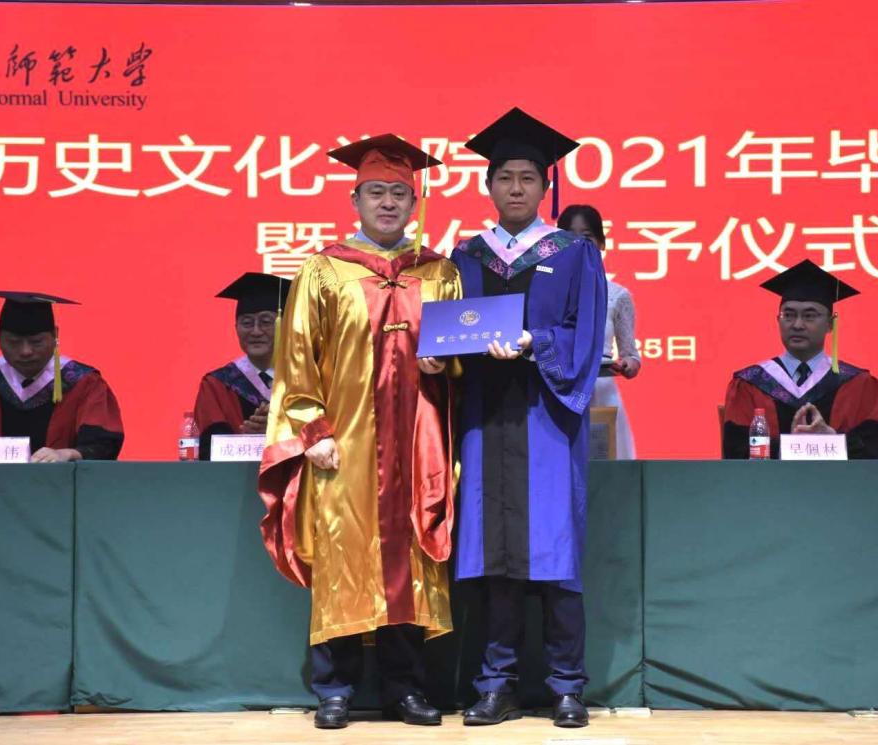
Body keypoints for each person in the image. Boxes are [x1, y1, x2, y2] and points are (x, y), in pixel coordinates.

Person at [257, 134, 461, 729]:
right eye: (376, 192)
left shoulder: (440, 273)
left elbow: (461, 355)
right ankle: (335, 688)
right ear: (355, 200)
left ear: (415, 202)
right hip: (344, 444)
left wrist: (446, 365)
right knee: (342, 555)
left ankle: (406, 688)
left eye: (399, 193)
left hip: (417, 442)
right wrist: (311, 428)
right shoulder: (323, 271)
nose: (388, 203)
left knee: (410, 557)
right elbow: (298, 357)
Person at [448, 108, 607, 728]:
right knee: (496, 555)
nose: (515, 188)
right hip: (485, 418)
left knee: (555, 551)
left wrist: (534, 342)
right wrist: (443, 357)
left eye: (527, 179)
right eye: (505, 178)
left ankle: (567, 685)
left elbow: (586, 336)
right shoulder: (466, 255)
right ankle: (497, 683)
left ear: (545, 187)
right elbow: (450, 330)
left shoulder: (573, 253)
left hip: (548, 417)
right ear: (488, 185)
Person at [722, 260, 878, 459]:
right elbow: (736, 453)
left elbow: (877, 454)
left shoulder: (859, 384)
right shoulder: (750, 384)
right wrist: (793, 447)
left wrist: (832, 440)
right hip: (769, 480)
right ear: (778, 320)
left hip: (839, 480)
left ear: (830, 324)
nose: (797, 325)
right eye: (788, 315)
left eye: (809, 316)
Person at [0, 290, 123, 463]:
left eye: (36, 342)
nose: (25, 351)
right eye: (14, 342)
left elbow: (102, 443)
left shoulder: (84, 382)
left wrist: (67, 454)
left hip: (61, 481)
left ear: (55, 336)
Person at [558, 204, 641, 459]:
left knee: (606, 470)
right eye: (570, 237)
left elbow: (632, 356)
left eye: (587, 237)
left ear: (602, 243)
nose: (579, 245)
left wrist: (627, 365)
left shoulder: (617, 295)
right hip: (559, 392)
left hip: (602, 394)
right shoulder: (549, 292)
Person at [193, 272, 290, 460]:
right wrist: (247, 441)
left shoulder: (308, 381)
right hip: (237, 476)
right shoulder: (218, 385)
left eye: (266, 322)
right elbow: (210, 451)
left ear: (285, 326)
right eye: (247, 323)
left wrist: (278, 430)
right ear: (236, 327)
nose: (255, 331)